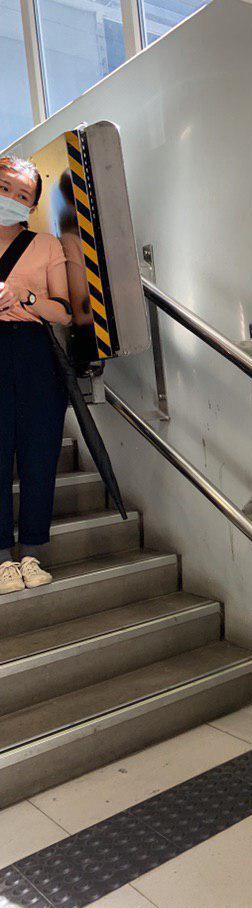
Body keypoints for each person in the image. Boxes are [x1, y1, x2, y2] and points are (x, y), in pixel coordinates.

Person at [0, 154, 72, 594]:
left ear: (31, 206)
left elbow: (63, 312)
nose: (11, 198)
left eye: (22, 195)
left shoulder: (46, 244)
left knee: (39, 453)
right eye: (5, 188)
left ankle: (30, 552)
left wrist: (26, 298)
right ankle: (1, 561)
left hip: (35, 354)